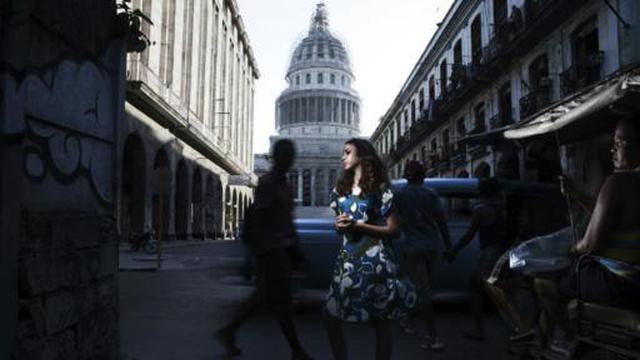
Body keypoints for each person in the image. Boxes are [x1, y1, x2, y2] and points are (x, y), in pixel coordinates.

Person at [534, 117, 640, 348]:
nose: (612, 149)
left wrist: (571, 249)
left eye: (620, 143)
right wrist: (577, 194)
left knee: (544, 282)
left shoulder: (618, 183)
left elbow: (588, 245)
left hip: (619, 283)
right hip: (634, 281)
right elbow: (613, 218)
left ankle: (568, 338)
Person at [215, 139, 312, 360]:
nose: (289, 159)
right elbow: (259, 219)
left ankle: (229, 332)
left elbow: (287, 221)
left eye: (291, 155)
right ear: (276, 157)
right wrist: (260, 253)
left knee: (263, 300)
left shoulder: (284, 185)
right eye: (285, 155)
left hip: (281, 251)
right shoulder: (268, 183)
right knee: (282, 304)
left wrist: (297, 251)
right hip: (272, 253)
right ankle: (297, 351)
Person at [323, 138, 416, 360]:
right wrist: (339, 226)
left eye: (347, 152)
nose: (342, 157)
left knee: (379, 321)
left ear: (362, 156)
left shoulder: (380, 189)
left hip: (375, 262)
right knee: (330, 317)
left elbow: (395, 230)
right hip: (347, 261)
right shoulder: (339, 190)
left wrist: (359, 226)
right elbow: (341, 228)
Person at [393, 160, 452, 350]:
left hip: (413, 247)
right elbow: (441, 222)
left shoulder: (400, 195)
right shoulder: (431, 193)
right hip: (430, 247)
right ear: (423, 175)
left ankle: (412, 323)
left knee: (422, 291)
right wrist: (449, 246)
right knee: (424, 291)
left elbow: (392, 222)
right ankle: (431, 335)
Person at [446, 178, 508, 341]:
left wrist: (454, 250)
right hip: (503, 251)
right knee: (498, 288)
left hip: (489, 253)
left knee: (476, 287)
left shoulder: (480, 210)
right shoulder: (501, 208)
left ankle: (480, 329)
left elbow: (469, 235)